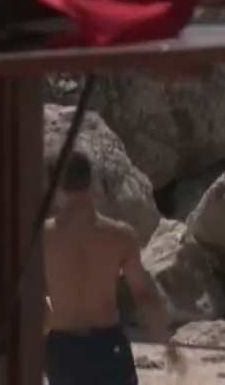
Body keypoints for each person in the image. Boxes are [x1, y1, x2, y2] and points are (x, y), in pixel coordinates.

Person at [43, 152, 183, 385]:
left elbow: (30, 299)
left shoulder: (42, 238)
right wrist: (166, 344)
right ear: (90, 182)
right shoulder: (120, 236)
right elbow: (143, 294)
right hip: (106, 346)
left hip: (63, 347)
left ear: (54, 186)